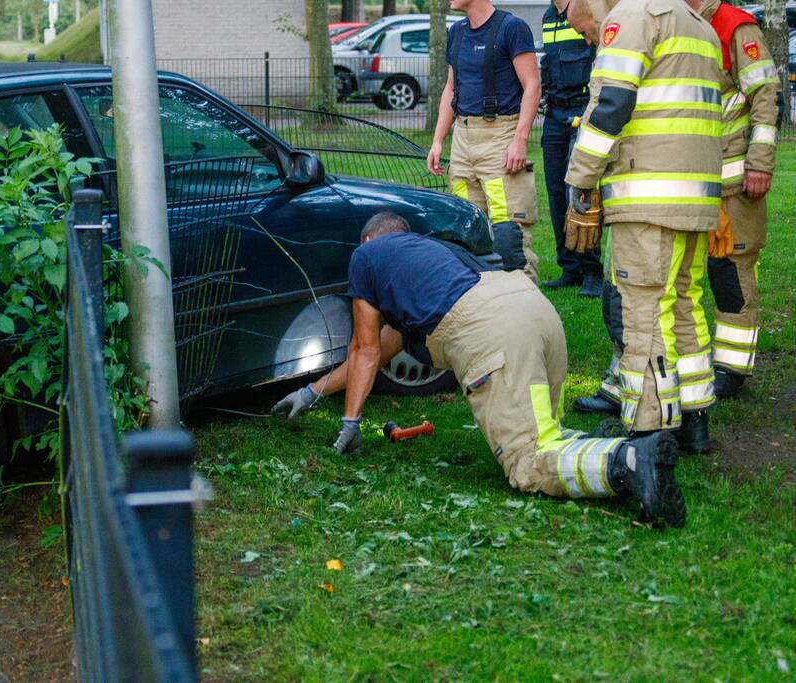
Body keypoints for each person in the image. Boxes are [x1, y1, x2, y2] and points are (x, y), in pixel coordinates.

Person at [273, 212, 686, 529]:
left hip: (493, 332)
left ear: (368, 239)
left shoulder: (365, 257)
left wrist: (350, 423)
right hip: (532, 308)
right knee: (546, 434)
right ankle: (600, 447)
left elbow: (364, 348)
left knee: (527, 462)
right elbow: (380, 352)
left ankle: (628, 460)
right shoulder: (431, 258)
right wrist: (312, 392)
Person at [562, 0, 721, 453]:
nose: (591, 38)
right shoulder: (699, 26)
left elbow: (611, 105)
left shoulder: (632, 17)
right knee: (685, 304)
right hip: (695, 197)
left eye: (587, 31)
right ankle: (694, 419)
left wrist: (581, 178)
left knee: (644, 313)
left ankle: (649, 429)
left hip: (648, 197)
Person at [427, 0, 542, 284]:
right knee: (466, 230)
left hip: (500, 135)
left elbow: (532, 85)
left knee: (508, 234)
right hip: (463, 140)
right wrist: (438, 140)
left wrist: (519, 140)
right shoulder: (457, 32)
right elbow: (451, 88)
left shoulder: (511, 28)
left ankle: (523, 302)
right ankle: (481, 299)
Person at [699, 0, 781, 398]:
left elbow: (765, 97)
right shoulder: (680, 22)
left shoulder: (734, 26)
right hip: (695, 179)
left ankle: (732, 366)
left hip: (735, 181)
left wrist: (760, 163)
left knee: (731, 271)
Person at [539, 0, 603, 297]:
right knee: (555, 192)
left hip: (581, 109)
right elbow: (549, 62)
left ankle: (592, 270)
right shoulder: (548, 16)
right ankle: (569, 267)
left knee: (580, 189)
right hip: (554, 114)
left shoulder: (586, 10)